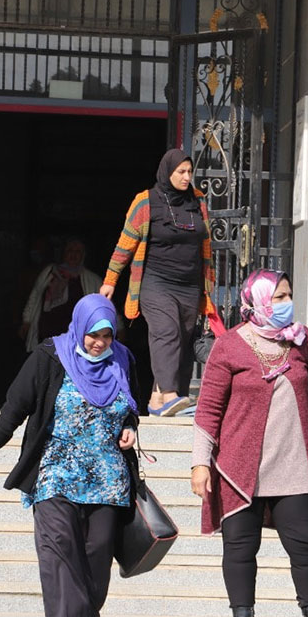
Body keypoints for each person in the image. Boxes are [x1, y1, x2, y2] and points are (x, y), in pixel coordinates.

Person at [190, 269, 308, 617]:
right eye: (277, 297)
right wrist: (200, 462)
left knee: (306, 550)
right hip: (239, 469)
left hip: (294, 465)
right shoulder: (228, 346)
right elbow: (209, 409)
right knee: (240, 550)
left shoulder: (302, 340)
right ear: (257, 300)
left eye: (288, 296)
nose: (285, 303)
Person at [0, 294, 139, 617]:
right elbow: (14, 409)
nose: (99, 344)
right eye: (93, 335)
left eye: (107, 336)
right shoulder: (49, 358)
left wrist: (130, 426)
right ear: (79, 328)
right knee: (59, 546)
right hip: (56, 470)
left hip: (107, 477)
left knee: (97, 552)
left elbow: (130, 405)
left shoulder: (122, 360)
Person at [100, 148, 220, 417]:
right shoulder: (146, 202)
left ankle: (157, 399)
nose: (187, 177)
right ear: (168, 172)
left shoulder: (197, 201)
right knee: (167, 331)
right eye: (181, 172)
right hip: (156, 282)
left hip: (189, 285)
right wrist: (111, 280)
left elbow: (206, 247)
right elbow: (125, 244)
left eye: (190, 172)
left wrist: (207, 287)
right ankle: (169, 393)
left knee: (184, 339)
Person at [20, 238, 102, 352]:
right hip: (47, 332)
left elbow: (103, 305)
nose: (73, 255)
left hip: (73, 336)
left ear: (83, 255)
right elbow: (35, 296)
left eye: (77, 252)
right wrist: (27, 321)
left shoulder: (92, 280)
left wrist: (118, 327)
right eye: (70, 251)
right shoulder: (49, 272)